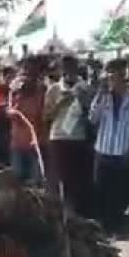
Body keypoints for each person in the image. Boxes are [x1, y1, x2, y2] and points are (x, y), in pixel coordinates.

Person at [89, 59, 129, 237]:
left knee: (120, 193)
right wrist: (100, 95)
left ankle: (118, 228)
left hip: (122, 150)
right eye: (110, 74)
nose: (113, 77)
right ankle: (104, 228)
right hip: (103, 148)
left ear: (123, 75)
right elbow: (93, 118)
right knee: (101, 190)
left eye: (117, 73)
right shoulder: (103, 96)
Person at [44, 56, 93, 212]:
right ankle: (60, 211)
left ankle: (77, 214)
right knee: (59, 178)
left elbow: (92, 115)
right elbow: (46, 116)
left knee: (77, 180)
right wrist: (60, 104)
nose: (68, 71)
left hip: (78, 137)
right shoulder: (54, 89)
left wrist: (83, 101)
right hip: (59, 137)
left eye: (71, 67)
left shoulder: (85, 88)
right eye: (65, 68)